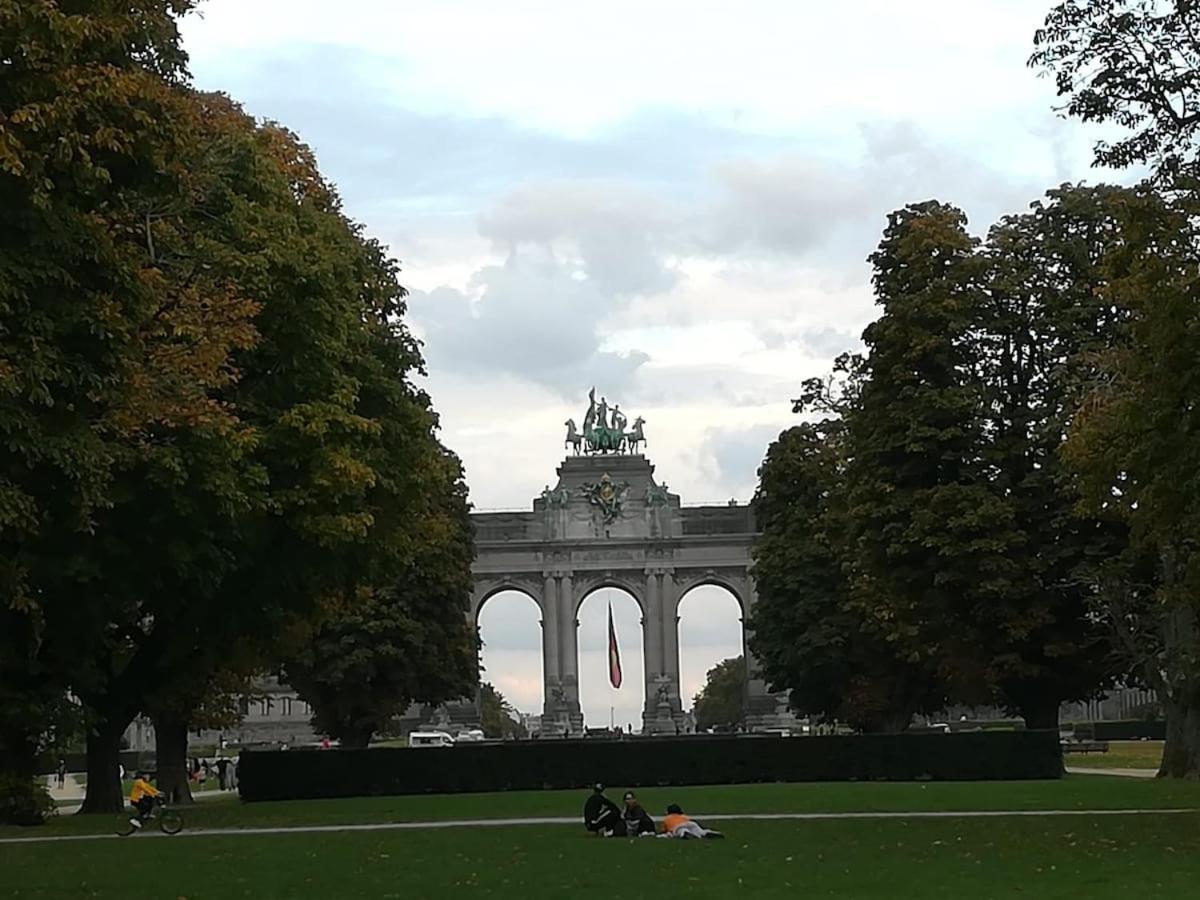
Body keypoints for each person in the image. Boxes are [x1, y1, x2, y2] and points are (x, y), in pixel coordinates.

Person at [658, 803, 724, 840]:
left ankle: (686, 834)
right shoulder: (684, 816)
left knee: (682, 831)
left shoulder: (667, 818)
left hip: (678, 827)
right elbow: (690, 821)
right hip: (690, 824)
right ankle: (707, 833)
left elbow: (664, 830)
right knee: (700, 832)